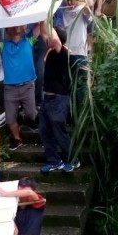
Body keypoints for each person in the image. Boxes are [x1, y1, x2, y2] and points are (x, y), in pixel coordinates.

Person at [0, 23, 41, 151]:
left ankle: (32, 123)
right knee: (10, 119)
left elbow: (39, 26)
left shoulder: (29, 41)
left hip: (27, 85)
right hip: (10, 88)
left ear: (23, 27)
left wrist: (40, 15)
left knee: (31, 114)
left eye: (18, 24)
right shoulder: (3, 46)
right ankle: (17, 139)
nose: (15, 27)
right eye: (11, 25)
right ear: (6, 30)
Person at [39, 24, 77, 173]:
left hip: (59, 99)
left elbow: (53, 38)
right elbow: (43, 32)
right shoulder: (50, 51)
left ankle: (72, 159)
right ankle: (54, 161)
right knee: (44, 130)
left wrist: (47, 20)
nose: (47, 37)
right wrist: (42, 20)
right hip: (47, 99)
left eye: (50, 36)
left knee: (59, 131)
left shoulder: (63, 52)